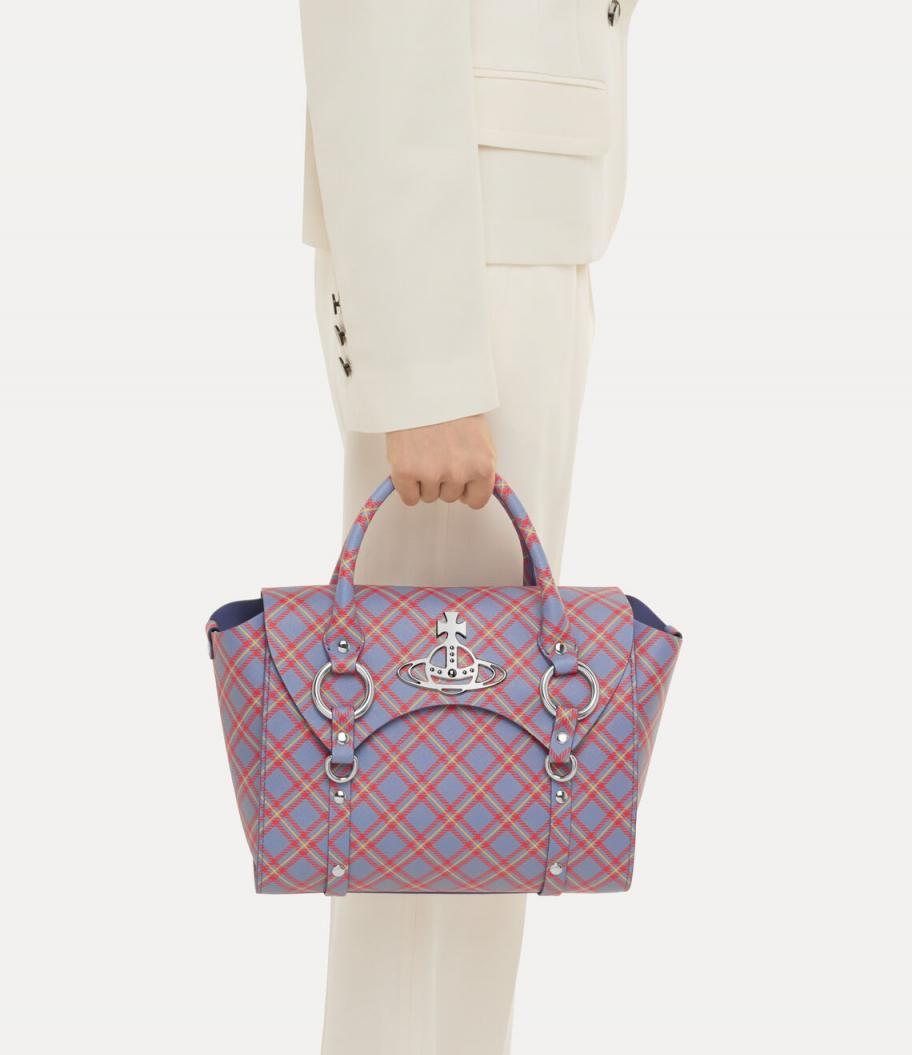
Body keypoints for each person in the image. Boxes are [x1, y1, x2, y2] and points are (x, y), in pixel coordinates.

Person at [297, 2, 639, 1052]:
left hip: (520, 231)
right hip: (463, 260)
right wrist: (423, 369)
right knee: (422, 795)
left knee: (481, 802)